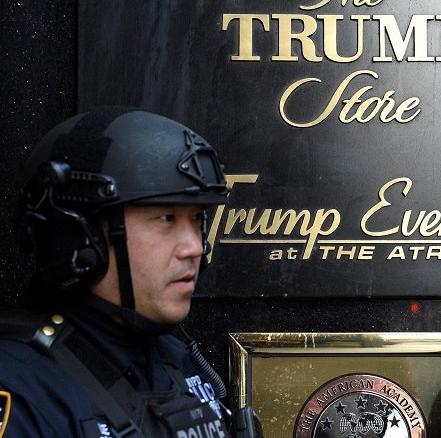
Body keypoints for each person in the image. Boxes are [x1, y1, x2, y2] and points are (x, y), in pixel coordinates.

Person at [0, 107, 261, 437]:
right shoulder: (22, 388)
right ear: (81, 237)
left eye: (196, 219)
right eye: (166, 218)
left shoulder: (175, 358)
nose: (194, 247)